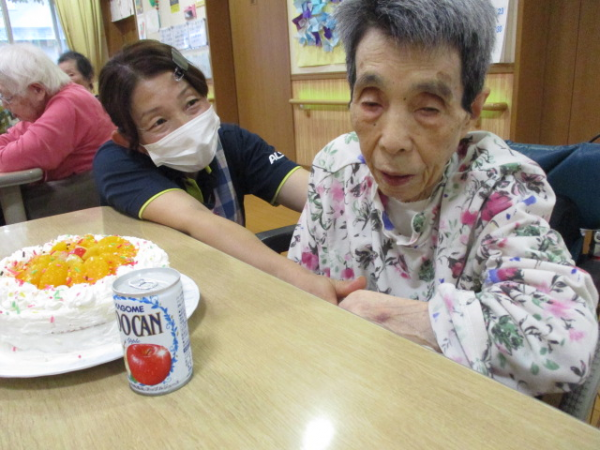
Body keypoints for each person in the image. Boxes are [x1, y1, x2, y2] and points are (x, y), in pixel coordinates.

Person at [288, 0, 599, 396]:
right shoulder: (336, 168)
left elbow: (564, 342)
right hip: (344, 391)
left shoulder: (501, 188)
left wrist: (403, 319)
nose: (393, 141)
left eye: (428, 108)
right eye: (371, 102)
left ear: (471, 110)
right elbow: (299, 284)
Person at [94, 40, 364, 303]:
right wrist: (301, 279)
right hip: (157, 304)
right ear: (128, 139)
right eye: (159, 121)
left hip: (230, 290)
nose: (187, 126)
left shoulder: (231, 141)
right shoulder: (117, 162)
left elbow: (317, 194)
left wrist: (368, 203)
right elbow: (197, 219)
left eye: (191, 103)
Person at [0, 43, 114, 183]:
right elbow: (10, 137)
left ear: (37, 90)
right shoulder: (44, 106)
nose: (5, 105)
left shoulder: (68, 102)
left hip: (90, 188)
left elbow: (12, 160)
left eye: (8, 97)